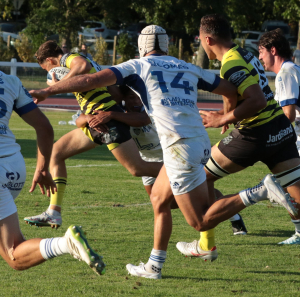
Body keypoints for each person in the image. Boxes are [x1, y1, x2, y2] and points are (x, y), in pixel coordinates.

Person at [28, 25, 296, 280]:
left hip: (180, 147)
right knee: (158, 198)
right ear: (167, 45)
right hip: (197, 141)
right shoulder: (187, 65)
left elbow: (88, 78)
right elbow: (228, 88)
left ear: (142, 47)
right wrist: (224, 115)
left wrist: (47, 91)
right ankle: (154, 265)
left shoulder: (138, 65)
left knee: (200, 221)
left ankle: (261, 191)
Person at [176, 14, 300, 255]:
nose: (201, 44)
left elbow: (256, 100)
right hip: (280, 130)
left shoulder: (231, 62)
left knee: (201, 177)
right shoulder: (244, 53)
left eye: (200, 40)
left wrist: (222, 118)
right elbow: (234, 91)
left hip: (255, 134)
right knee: (297, 189)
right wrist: (227, 112)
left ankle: (206, 243)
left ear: (208, 39)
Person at [24, 41, 162, 229]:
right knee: (56, 152)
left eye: (46, 68)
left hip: (105, 120)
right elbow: (114, 93)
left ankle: (186, 173)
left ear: (49, 60)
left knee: (137, 168)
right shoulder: (89, 64)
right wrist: (90, 113)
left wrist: (60, 86)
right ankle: (53, 212)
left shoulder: (69, 59)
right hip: (97, 119)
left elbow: (82, 66)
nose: (49, 73)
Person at [84, 84, 248, 235]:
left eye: (137, 97)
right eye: (130, 98)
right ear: (124, 99)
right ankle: (221, 205)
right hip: (147, 163)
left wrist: (111, 115)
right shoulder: (118, 113)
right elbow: (80, 120)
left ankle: (232, 214)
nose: (135, 101)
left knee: (190, 198)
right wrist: (88, 119)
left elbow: (142, 120)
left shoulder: (149, 109)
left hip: (170, 157)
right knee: (165, 203)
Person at [0, 70, 105, 275]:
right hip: (14, 166)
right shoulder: (10, 81)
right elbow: (45, 127)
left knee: (12, 253)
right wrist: (42, 169)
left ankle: (66, 244)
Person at [258, 29, 300, 244]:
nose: (259, 57)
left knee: (285, 184)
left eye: (261, 51)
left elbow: (289, 115)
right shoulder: (290, 70)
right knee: (287, 186)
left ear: (273, 50)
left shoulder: (286, 72)